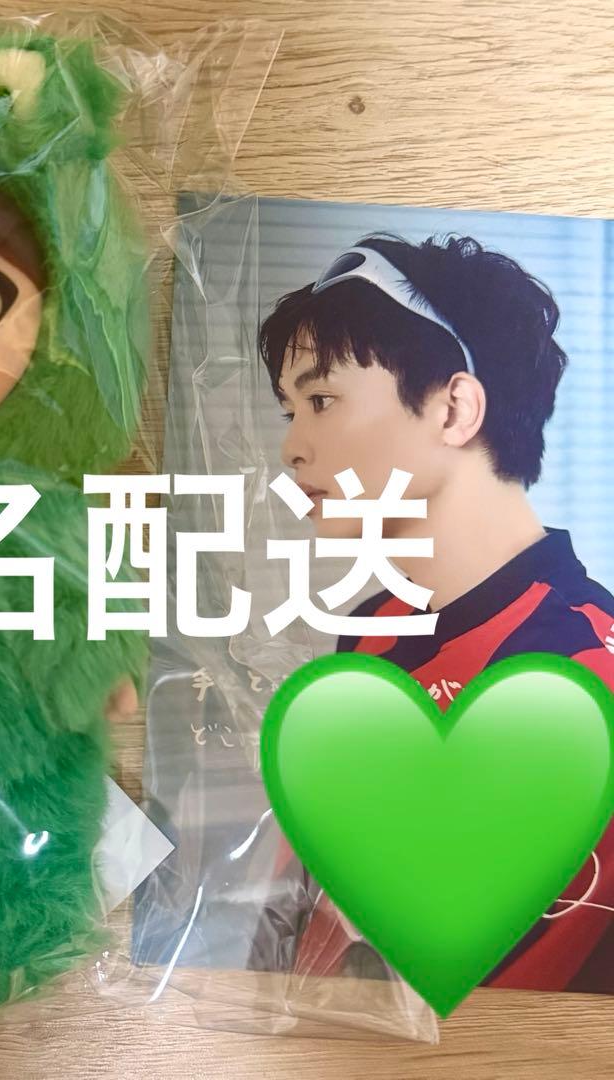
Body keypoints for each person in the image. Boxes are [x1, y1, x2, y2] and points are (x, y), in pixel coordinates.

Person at [258, 233, 614, 993]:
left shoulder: (589, 672)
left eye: (321, 401)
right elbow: (299, 913)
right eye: (289, 410)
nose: (291, 447)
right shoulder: (372, 628)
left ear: (454, 408)